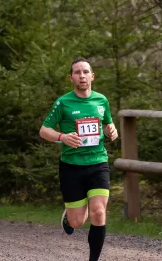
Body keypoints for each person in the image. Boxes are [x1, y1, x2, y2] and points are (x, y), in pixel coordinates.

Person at [39, 57, 118, 261]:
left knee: (99, 213)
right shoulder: (63, 102)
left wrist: (111, 130)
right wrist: (62, 137)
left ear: (92, 76)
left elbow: (108, 124)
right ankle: (69, 216)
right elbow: (44, 130)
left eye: (85, 72)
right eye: (77, 72)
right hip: (71, 167)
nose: (81, 76)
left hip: (98, 163)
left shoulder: (102, 100)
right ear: (71, 78)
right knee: (77, 223)